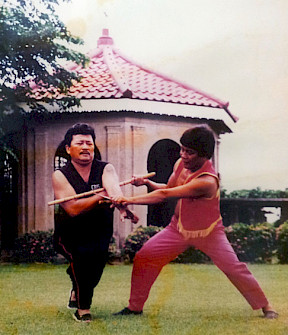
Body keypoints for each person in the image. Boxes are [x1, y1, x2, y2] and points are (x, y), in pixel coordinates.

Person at [112, 125, 278, 319]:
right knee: (145, 256)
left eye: (189, 152)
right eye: (182, 149)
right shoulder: (180, 164)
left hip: (209, 232)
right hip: (178, 228)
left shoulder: (207, 181)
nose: (183, 155)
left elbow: (165, 195)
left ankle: (266, 306)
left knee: (233, 268)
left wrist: (128, 199)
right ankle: (134, 308)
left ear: (205, 155)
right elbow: (168, 187)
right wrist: (147, 183)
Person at [52, 123, 138, 323]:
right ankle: (83, 309)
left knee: (95, 270)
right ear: (68, 148)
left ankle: (76, 286)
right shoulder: (60, 175)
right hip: (70, 233)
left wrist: (122, 206)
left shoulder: (105, 168)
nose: (85, 147)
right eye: (80, 143)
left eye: (89, 143)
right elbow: (73, 208)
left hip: (100, 231)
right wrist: (102, 194)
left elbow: (113, 188)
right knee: (82, 261)